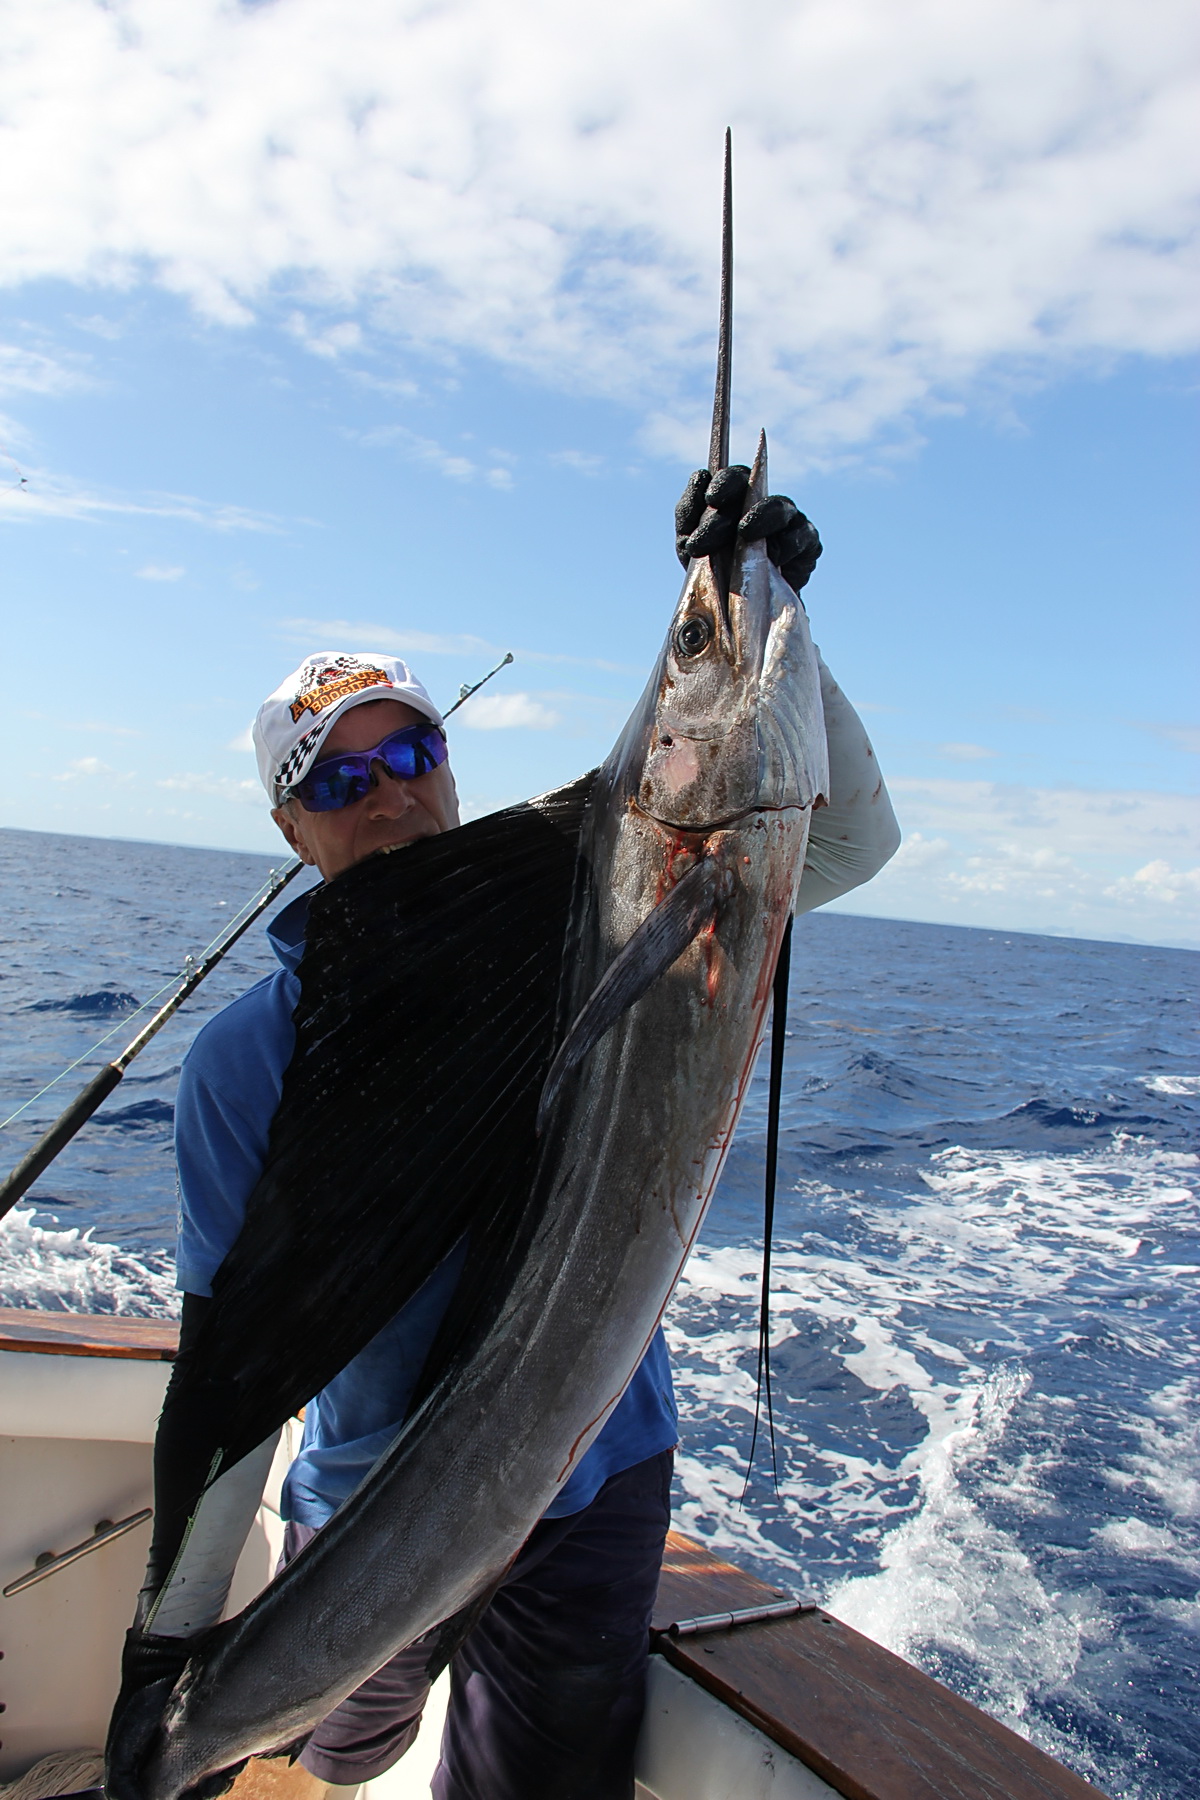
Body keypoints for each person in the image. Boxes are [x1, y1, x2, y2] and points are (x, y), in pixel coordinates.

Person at [122, 481, 899, 1800]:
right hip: (375, 1514)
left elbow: (853, 839)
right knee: (310, 1760)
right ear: (289, 827)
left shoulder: (612, 906)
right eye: (340, 778)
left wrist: (781, 627)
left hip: (591, 1482)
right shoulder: (245, 1064)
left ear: (451, 771)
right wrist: (164, 1640)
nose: (386, 799)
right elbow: (230, 1367)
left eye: (409, 759)